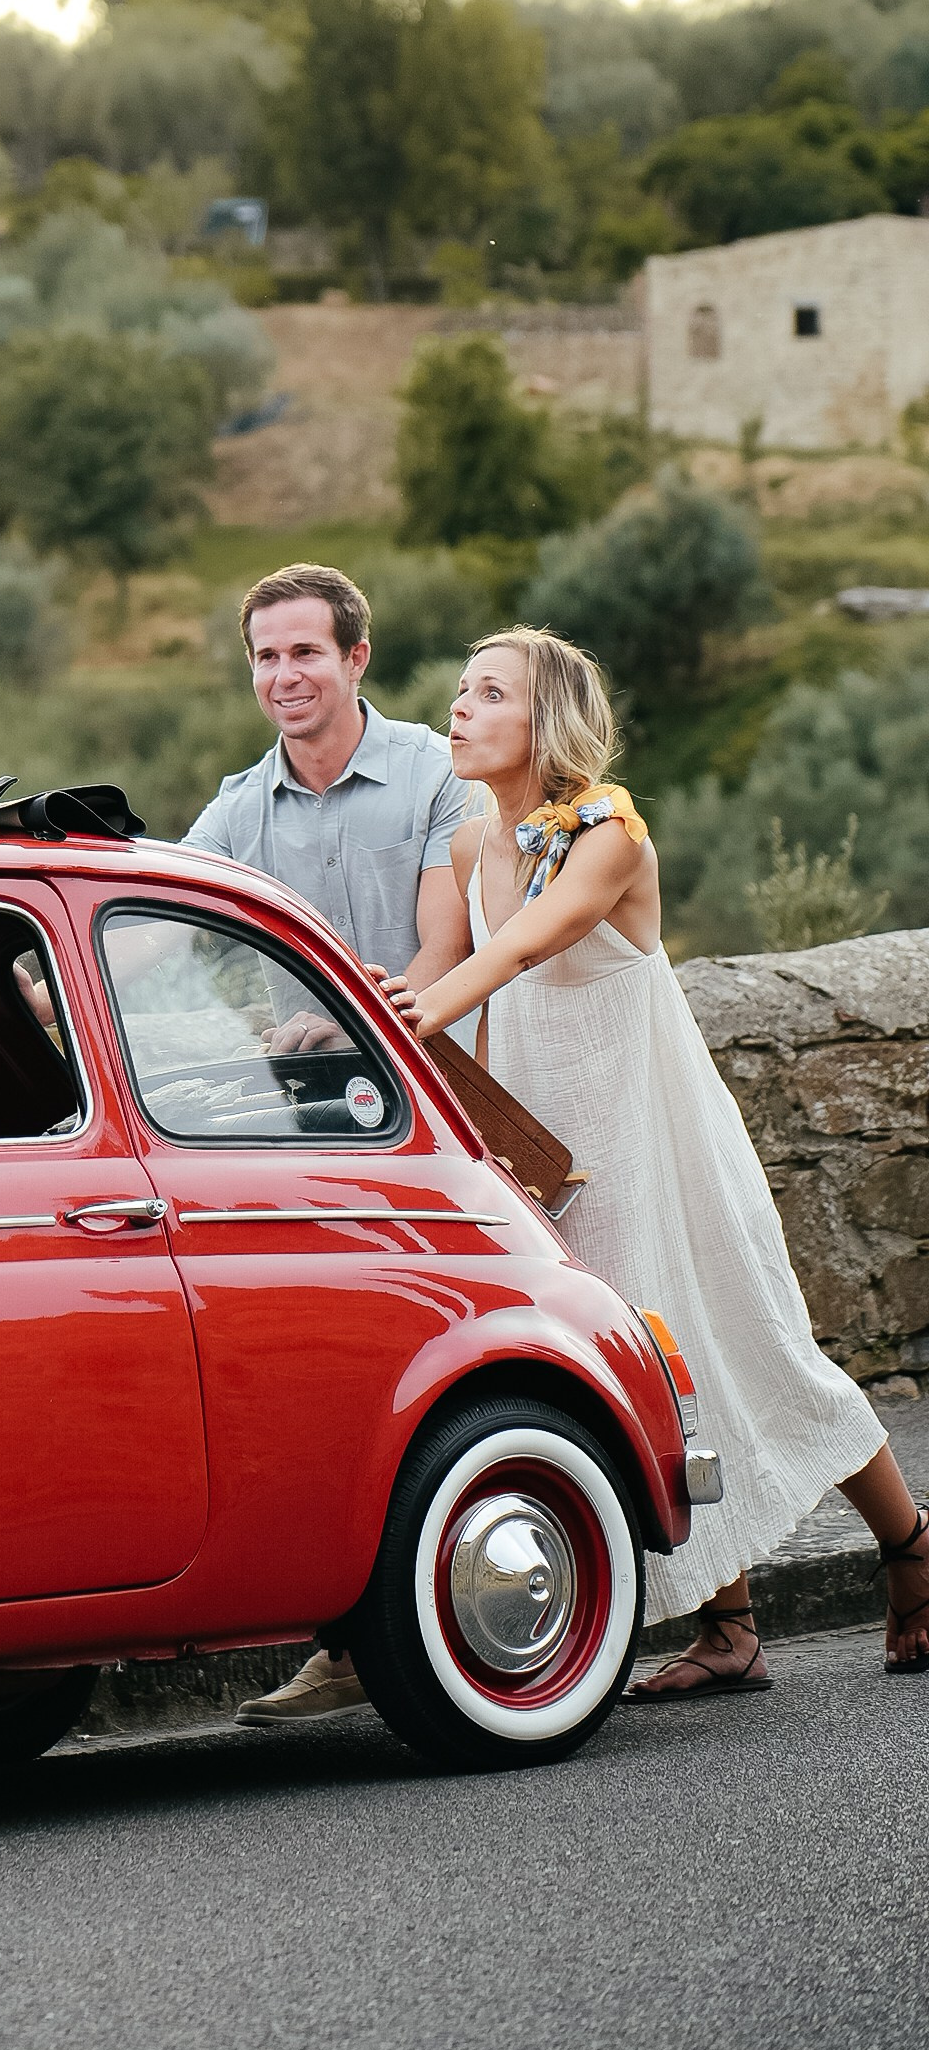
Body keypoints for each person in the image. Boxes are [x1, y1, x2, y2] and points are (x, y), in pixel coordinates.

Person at [393, 626, 928, 1689]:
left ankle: (909, 1546)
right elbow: (438, 970)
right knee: (639, 1364)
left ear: (545, 720)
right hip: (556, 1147)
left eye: (488, 693)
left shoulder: (610, 832)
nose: (458, 708)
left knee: (757, 1347)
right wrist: (355, 1009)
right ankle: (729, 1629)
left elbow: (526, 945)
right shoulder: (464, 848)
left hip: (654, 1134)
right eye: (460, 689)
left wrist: (418, 1014)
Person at [185, 563, 483, 1725]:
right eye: (264, 656)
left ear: (355, 658)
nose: (282, 676)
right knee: (330, 1374)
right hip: (304, 1126)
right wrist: (26, 989)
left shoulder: (428, 771)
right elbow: (162, 920)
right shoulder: (238, 808)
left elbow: (439, 953)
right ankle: (354, 1639)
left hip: (435, 1104)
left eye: (303, 652)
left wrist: (353, 1013)